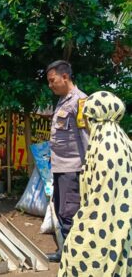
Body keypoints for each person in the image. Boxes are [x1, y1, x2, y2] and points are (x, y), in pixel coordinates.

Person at [58, 91, 132, 277]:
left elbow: (97, 200)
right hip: (124, 225)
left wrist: (81, 226)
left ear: (94, 118)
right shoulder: (124, 141)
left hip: (102, 224)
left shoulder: (102, 146)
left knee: (80, 257)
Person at [46, 60, 89, 262]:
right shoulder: (63, 101)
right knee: (61, 210)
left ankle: (75, 259)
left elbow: (86, 138)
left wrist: (89, 168)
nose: (50, 85)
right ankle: (66, 252)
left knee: (70, 213)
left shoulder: (80, 101)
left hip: (73, 169)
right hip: (60, 167)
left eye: (52, 80)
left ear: (65, 77)